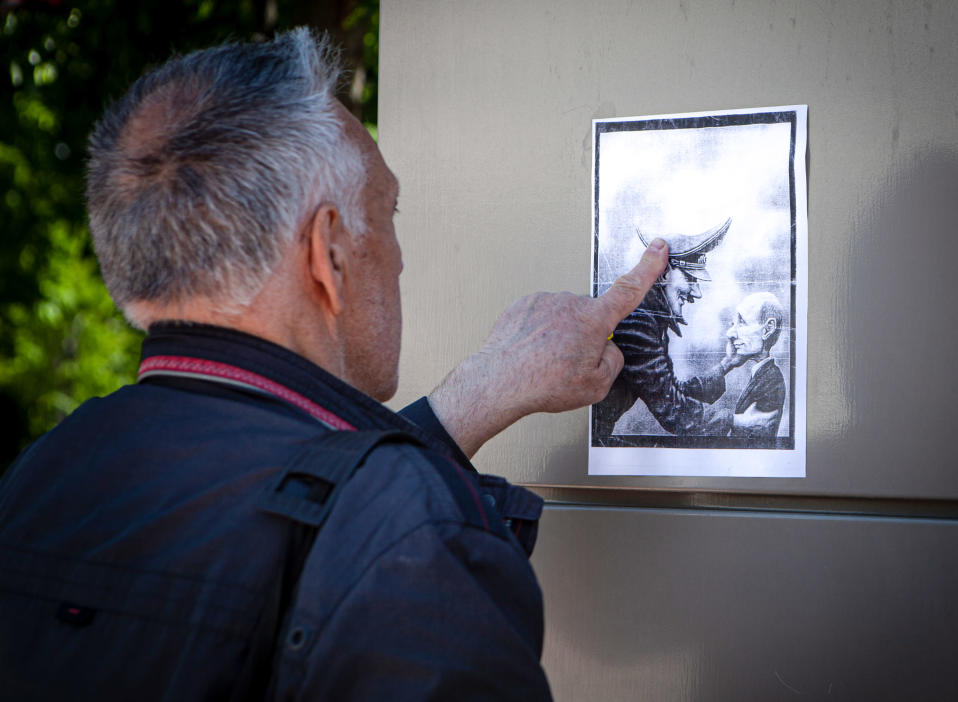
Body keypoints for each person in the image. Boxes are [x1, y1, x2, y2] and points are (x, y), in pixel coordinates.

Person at [0, 29, 668, 701]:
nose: (401, 256)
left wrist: (473, 398)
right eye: (387, 213)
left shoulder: (41, 477)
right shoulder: (411, 538)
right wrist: (421, 500)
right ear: (328, 253)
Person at [592, 218, 732, 441]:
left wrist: (727, 365)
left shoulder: (649, 319)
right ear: (665, 275)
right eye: (691, 279)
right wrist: (733, 420)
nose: (697, 294)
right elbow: (672, 408)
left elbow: (669, 389)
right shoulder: (638, 322)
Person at [724, 291, 787, 438]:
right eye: (733, 324)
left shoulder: (772, 381)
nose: (730, 333)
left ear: (768, 329)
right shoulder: (763, 374)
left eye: (742, 322)